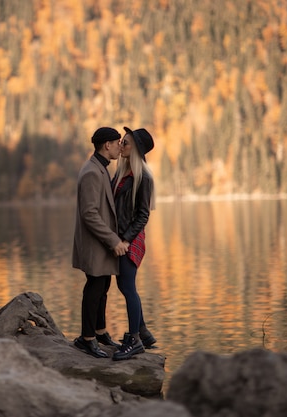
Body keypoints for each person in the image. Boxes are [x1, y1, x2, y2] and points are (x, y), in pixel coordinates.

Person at [72, 127, 130, 358]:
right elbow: (89, 214)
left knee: (103, 286)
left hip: (100, 243)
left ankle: (100, 332)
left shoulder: (101, 168)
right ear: (107, 145)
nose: (120, 146)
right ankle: (86, 339)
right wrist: (113, 240)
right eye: (117, 143)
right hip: (95, 243)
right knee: (94, 288)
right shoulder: (92, 173)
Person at [111, 126, 158, 361]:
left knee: (128, 287)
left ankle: (134, 340)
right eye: (121, 142)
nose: (121, 145)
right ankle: (143, 333)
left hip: (131, 239)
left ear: (136, 150)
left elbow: (143, 215)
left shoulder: (143, 177)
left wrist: (126, 239)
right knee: (125, 286)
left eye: (126, 143)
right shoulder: (122, 173)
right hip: (121, 237)